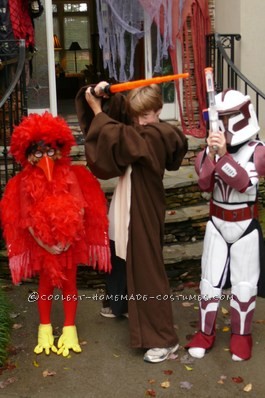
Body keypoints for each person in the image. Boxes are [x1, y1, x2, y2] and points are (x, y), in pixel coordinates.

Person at [75, 81, 188, 363]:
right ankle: (120, 303)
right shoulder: (141, 129)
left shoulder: (157, 134)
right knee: (120, 250)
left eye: (146, 115)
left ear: (159, 110)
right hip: (129, 198)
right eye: (136, 116)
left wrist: (98, 112)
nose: (140, 121)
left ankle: (164, 340)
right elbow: (124, 124)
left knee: (146, 266)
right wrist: (101, 93)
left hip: (144, 206)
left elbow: (117, 133)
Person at [0, 112, 111, 357]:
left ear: (59, 151)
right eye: (38, 152)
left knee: (70, 285)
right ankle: (45, 329)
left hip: (67, 243)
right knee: (45, 286)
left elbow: (80, 209)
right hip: (44, 245)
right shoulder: (24, 183)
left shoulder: (70, 175)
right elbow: (27, 220)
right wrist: (46, 246)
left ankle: (70, 329)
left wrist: (67, 240)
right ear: (28, 155)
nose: (45, 157)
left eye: (50, 150)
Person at [185, 89, 265, 361]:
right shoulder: (210, 151)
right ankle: (205, 333)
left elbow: (243, 183)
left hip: (244, 225)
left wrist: (223, 157)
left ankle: (241, 336)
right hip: (217, 223)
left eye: (227, 118)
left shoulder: (258, 150)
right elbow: (204, 184)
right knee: (209, 283)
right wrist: (212, 154)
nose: (221, 125)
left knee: (244, 285)